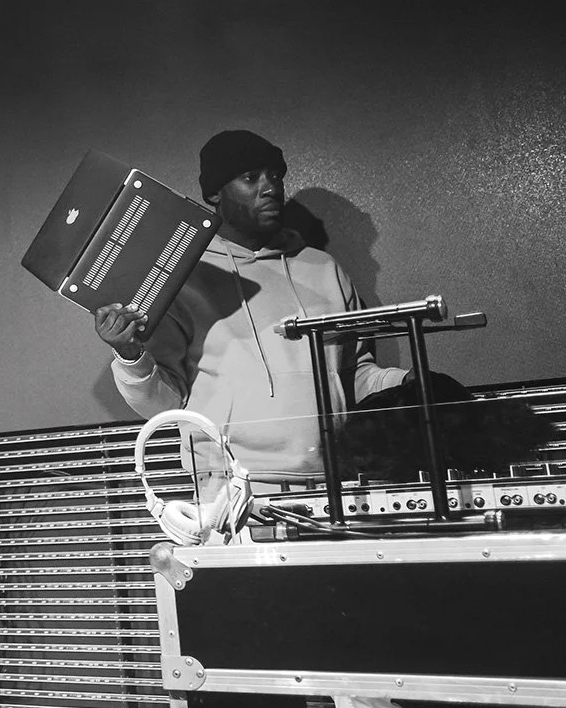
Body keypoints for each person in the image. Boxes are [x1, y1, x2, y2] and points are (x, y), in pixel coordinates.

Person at [93, 129, 406, 494]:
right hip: (232, 490)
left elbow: (351, 375)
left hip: (333, 483)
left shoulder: (324, 269)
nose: (270, 187)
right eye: (250, 177)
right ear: (215, 193)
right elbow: (166, 404)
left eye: (275, 175)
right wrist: (130, 354)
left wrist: (406, 383)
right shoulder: (183, 277)